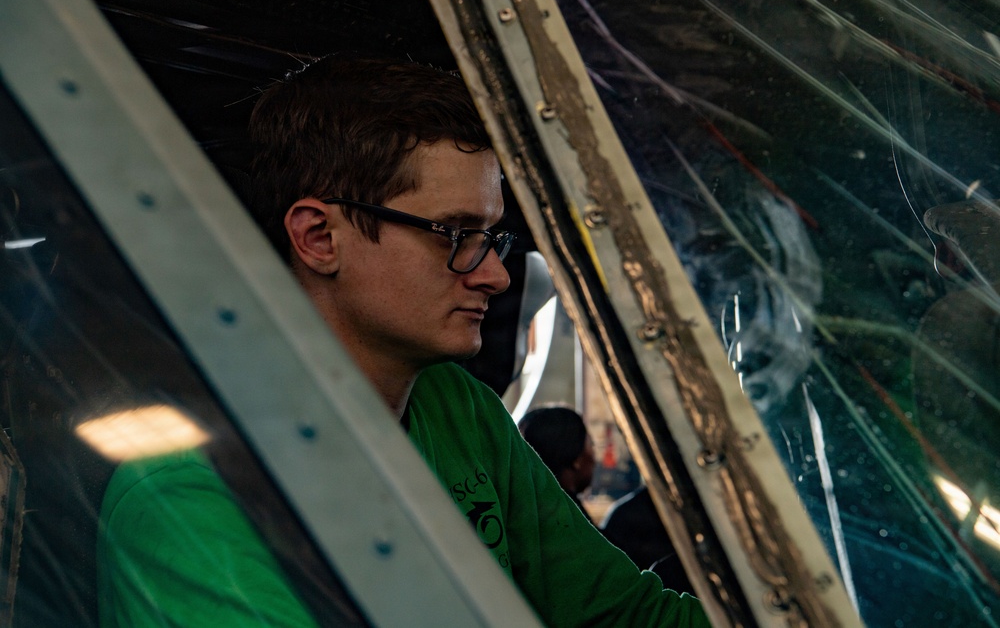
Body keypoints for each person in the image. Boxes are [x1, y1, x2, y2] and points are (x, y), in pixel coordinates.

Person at [97, 55, 709, 627]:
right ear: (319, 238)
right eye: (454, 233)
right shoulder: (190, 493)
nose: (494, 274)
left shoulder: (457, 407)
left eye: (490, 236)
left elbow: (625, 616)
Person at [517, 406, 596, 523]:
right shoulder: (578, 527)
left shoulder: (519, 516)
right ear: (576, 460)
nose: (594, 458)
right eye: (591, 445)